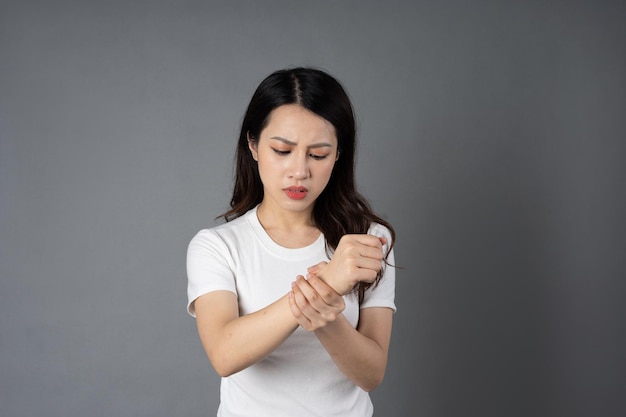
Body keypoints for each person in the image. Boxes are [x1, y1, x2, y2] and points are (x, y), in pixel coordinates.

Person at [186, 67, 396, 417]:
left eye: (318, 154)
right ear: (253, 145)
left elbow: (371, 374)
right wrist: (327, 282)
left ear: (339, 155)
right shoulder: (217, 246)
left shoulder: (369, 240)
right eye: (282, 150)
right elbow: (224, 354)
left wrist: (327, 320)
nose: (299, 171)